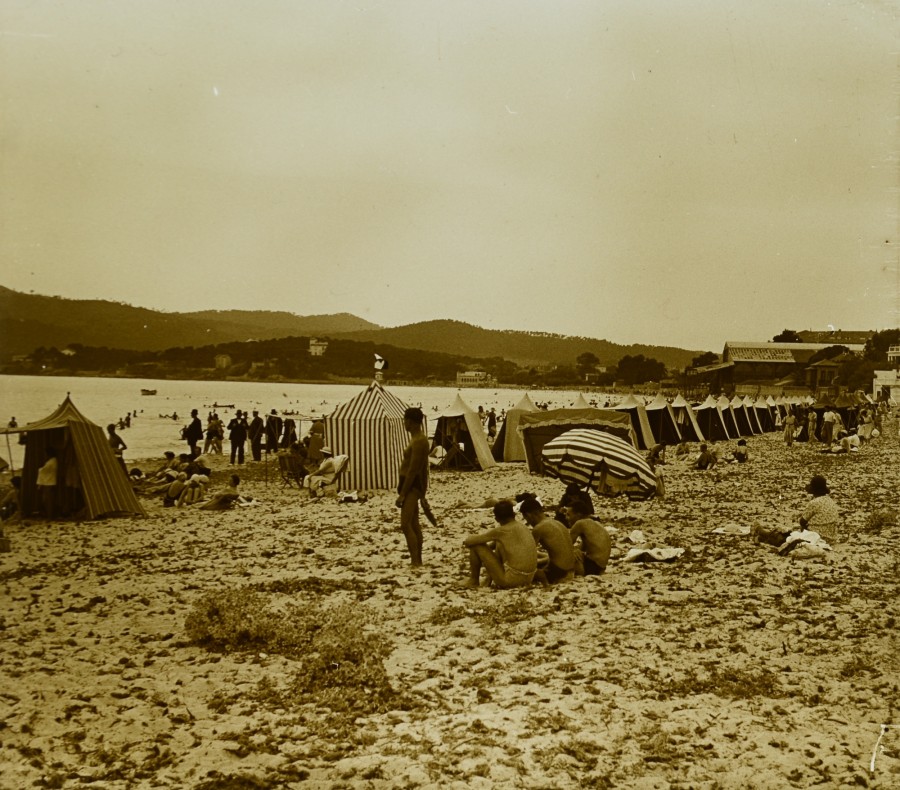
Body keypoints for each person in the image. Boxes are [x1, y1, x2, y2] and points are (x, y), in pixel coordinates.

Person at [463, 500, 537, 589]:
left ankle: (473, 580)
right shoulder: (522, 527)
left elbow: (469, 542)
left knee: (476, 545)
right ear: (514, 514)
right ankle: (488, 580)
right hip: (528, 579)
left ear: (497, 519)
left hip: (511, 580)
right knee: (499, 543)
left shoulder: (501, 531)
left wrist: (477, 541)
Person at [396, 407, 430, 566]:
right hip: (408, 483)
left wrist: (403, 494)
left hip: (411, 485)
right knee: (414, 523)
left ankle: (416, 561)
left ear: (411, 421)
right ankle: (417, 560)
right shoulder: (415, 438)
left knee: (405, 524)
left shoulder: (420, 441)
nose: (404, 424)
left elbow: (415, 470)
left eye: (405, 420)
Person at [519, 497, 577, 585]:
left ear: (529, 515)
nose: (528, 522)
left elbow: (527, 555)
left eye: (526, 519)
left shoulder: (538, 528)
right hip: (572, 569)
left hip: (559, 572)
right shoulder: (557, 523)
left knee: (521, 573)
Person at [566, 498, 611, 575]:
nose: (566, 518)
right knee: (576, 551)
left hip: (592, 566)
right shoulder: (595, 523)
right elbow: (585, 546)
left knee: (566, 555)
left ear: (578, 515)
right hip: (601, 566)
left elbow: (566, 545)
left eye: (569, 515)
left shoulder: (580, 523)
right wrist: (576, 550)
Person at [799, 475, 839, 543]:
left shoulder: (814, 503)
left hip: (816, 537)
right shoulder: (830, 501)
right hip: (831, 537)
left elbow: (802, 521)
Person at [36, 448, 58, 520]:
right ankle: (50, 515)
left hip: (49, 483)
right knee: (48, 500)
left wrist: (40, 469)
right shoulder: (52, 461)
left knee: (48, 500)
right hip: (49, 482)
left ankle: (50, 516)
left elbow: (43, 470)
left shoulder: (52, 462)